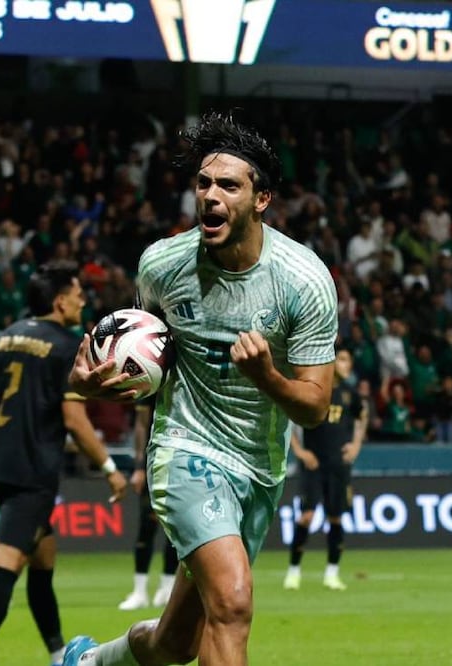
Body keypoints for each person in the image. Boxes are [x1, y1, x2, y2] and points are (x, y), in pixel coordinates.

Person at [63, 112, 338, 666]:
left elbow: (314, 407)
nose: (211, 197)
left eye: (229, 186)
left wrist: (267, 378)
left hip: (259, 467)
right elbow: (144, 363)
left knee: (176, 645)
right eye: (204, 184)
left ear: (261, 199)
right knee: (233, 604)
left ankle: (90, 662)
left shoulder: (303, 282)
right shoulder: (162, 266)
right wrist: (90, 381)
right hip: (184, 450)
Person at [0, 260, 129, 666]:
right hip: (33, 473)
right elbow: (74, 420)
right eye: (79, 294)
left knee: (43, 560)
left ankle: (58, 654)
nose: (83, 300)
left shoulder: (3, 340)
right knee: (5, 567)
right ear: (60, 301)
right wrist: (111, 469)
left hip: (1, 468)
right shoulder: (66, 347)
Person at [283, 347, 367, 592]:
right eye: (341, 358)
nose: (345, 364)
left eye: (348, 360)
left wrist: (356, 445)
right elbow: (289, 417)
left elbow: (362, 417)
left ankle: (332, 572)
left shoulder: (351, 395)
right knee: (306, 516)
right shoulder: (316, 390)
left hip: (338, 465)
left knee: (336, 517)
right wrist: (300, 452)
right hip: (314, 463)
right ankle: (294, 571)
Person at [117, 399, 180, 610]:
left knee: (176, 529)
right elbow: (142, 424)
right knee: (147, 526)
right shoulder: (155, 379)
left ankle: (167, 588)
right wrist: (139, 466)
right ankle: (140, 591)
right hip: (154, 461)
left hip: (181, 461)